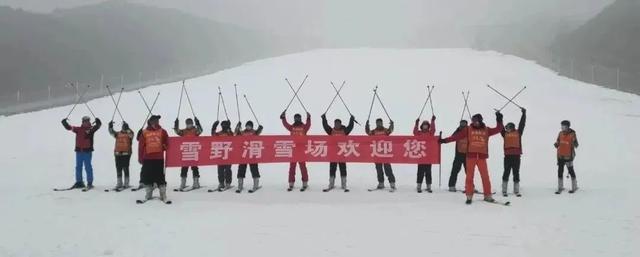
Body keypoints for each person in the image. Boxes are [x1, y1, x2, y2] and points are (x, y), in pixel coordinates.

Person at [440, 112, 503, 204]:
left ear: (480, 120)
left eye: (476, 121)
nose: (475, 122)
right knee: (469, 177)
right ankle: (469, 196)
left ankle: (488, 196)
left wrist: (499, 119)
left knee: (485, 177)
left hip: (482, 157)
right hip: (470, 157)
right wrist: (444, 141)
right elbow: (456, 137)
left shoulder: (486, 130)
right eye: (473, 121)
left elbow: (499, 129)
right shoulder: (468, 129)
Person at [61, 116, 102, 190]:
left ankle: (89, 183)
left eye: (87, 121)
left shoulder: (91, 129)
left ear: (89, 122)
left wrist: (98, 121)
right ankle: (79, 182)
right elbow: (69, 128)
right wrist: (64, 123)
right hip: (79, 151)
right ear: (82, 122)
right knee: (78, 167)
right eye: (84, 121)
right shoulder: (78, 129)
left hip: (87, 151)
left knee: (88, 167)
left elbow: (98, 126)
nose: (86, 122)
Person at [137, 115, 170, 203]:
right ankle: (148, 194)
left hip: (158, 158)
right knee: (147, 176)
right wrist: (140, 157)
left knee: (160, 176)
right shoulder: (144, 132)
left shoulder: (163, 131)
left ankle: (163, 194)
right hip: (147, 158)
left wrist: (164, 146)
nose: (157, 122)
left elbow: (167, 142)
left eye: (158, 120)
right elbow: (141, 146)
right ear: (150, 122)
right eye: (155, 120)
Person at [321, 114, 355, 191]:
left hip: (342, 153)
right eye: (335, 124)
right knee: (332, 169)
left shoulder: (344, 131)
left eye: (338, 123)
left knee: (343, 169)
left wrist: (352, 119)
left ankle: (344, 184)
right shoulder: (331, 131)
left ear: (340, 124)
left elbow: (350, 127)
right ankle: (331, 184)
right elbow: (326, 126)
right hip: (333, 154)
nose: (336, 125)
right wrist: (324, 118)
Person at [280, 111, 311, 191]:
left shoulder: (304, 127)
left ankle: (305, 182)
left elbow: (308, 125)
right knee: (292, 167)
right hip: (293, 150)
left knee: (302, 167)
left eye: (298, 118)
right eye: (296, 118)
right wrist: (283, 118)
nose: (297, 119)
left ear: (300, 119)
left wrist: (308, 118)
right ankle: (291, 183)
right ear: (294, 119)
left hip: (301, 150)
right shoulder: (292, 127)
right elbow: (286, 125)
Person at [501, 108, 526, 197]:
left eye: (507, 127)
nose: (506, 128)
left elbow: (522, 124)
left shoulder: (518, 132)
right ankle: (504, 190)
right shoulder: (504, 134)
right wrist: (499, 116)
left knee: (516, 172)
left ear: (511, 127)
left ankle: (516, 190)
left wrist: (523, 114)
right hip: (507, 156)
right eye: (506, 127)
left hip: (516, 156)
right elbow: (500, 126)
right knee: (506, 172)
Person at [365, 118, 396, 191]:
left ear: (382, 123)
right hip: (377, 153)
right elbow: (368, 132)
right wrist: (367, 126)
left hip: (385, 153)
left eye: (380, 123)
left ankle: (392, 183)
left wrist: (392, 124)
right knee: (379, 169)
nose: (379, 124)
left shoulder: (385, 130)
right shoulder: (374, 131)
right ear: (376, 123)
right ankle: (381, 183)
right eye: (377, 123)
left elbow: (390, 130)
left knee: (388, 169)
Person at [174, 117, 203, 191]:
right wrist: (176, 124)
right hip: (186, 152)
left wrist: (198, 123)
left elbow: (200, 130)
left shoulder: (195, 130)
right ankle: (183, 183)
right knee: (184, 168)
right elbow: (177, 132)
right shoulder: (184, 131)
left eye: (190, 123)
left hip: (193, 152)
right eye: (187, 123)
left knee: (195, 167)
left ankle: (196, 182)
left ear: (192, 123)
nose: (189, 125)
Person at [235, 120, 264, 193]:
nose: (248, 127)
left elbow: (258, 133)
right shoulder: (242, 132)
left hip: (252, 154)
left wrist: (260, 128)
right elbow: (236, 134)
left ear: (252, 126)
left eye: (249, 126)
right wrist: (238, 126)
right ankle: (240, 185)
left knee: (254, 169)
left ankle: (256, 184)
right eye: (247, 125)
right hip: (244, 154)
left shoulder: (254, 132)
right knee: (241, 169)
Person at [554, 120, 579, 194]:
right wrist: (556, 144)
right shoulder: (560, 133)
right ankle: (560, 187)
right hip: (560, 156)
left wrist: (574, 141)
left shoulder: (572, 134)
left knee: (571, 171)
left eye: (564, 126)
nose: (562, 127)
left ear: (568, 127)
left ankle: (574, 186)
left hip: (568, 156)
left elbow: (576, 145)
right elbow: (558, 141)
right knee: (560, 171)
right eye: (561, 126)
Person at [108, 121, 134, 190]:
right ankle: (119, 183)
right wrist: (110, 127)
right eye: (123, 127)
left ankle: (126, 183)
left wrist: (128, 129)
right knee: (118, 168)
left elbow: (131, 135)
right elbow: (111, 132)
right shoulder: (118, 134)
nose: (124, 128)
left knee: (125, 167)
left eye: (125, 127)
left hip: (126, 153)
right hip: (118, 153)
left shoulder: (129, 134)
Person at [414, 115, 436, 193]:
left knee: (428, 172)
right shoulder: (419, 133)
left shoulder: (430, 134)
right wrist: (416, 123)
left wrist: (433, 121)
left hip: (428, 155)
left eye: (427, 125)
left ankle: (428, 186)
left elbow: (433, 130)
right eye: (424, 125)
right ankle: (419, 185)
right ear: (422, 126)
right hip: (421, 155)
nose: (425, 126)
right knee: (420, 171)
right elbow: (415, 132)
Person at [211, 120, 235, 191]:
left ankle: (228, 182)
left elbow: (233, 136)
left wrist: (229, 128)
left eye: (225, 125)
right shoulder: (219, 133)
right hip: (220, 154)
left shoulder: (229, 133)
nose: (224, 126)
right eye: (222, 125)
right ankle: (221, 182)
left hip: (228, 154)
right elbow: (213, 135)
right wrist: (214, 127)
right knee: (220, 170)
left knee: (228, 169)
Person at [447, 120, 468, 192]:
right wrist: (457, 129)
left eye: (464, 123)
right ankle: (451, 186)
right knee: (455, 170)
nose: (463, 124)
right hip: (458, 154)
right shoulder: (458, 131)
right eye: (461, 123)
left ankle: (470, 186)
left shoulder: (469, 131)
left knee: (469, 172)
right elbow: (453, 137)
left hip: (467, 154)